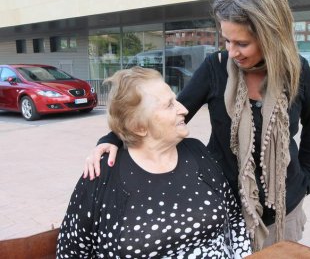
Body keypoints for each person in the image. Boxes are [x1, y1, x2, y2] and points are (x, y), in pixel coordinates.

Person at [84, 0, 310, 251]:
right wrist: (113, 137)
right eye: (227, 40)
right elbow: (166, 114)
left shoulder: (296, 70)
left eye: (242, 43)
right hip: (226, 207)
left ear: (270, 36)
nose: (232, 52)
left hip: (285, 210)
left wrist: (309, 179)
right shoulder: (215, 68)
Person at [57, 67, 251, 258]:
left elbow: (234, 221)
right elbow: (70, 252)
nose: (183, 109)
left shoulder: (197, 151)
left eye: (176, 100)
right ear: (139, 126)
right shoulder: (102, 173)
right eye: (169, 105)